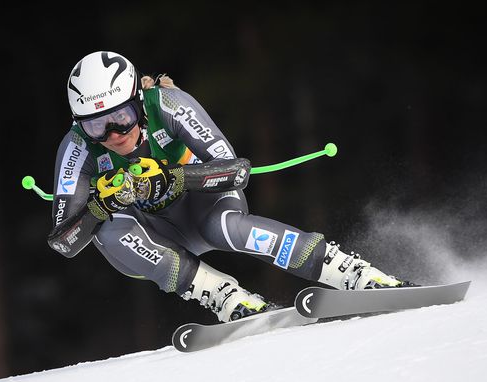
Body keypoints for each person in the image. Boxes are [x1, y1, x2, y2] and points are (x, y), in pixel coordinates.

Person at [48, 51, 415, 323]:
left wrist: (173, 176)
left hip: (203, 204)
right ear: (80, 124)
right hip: (156, 236)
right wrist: (99, 207)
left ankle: (352, 273)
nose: (114, 135)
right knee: (109, 231)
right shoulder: (77, 148)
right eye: (97, 126)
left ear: (138, 103)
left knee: (224, 228)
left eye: (122, 118)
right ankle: (223, 294)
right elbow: (64, 242)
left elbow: (237, 171)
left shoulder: (169, 104)